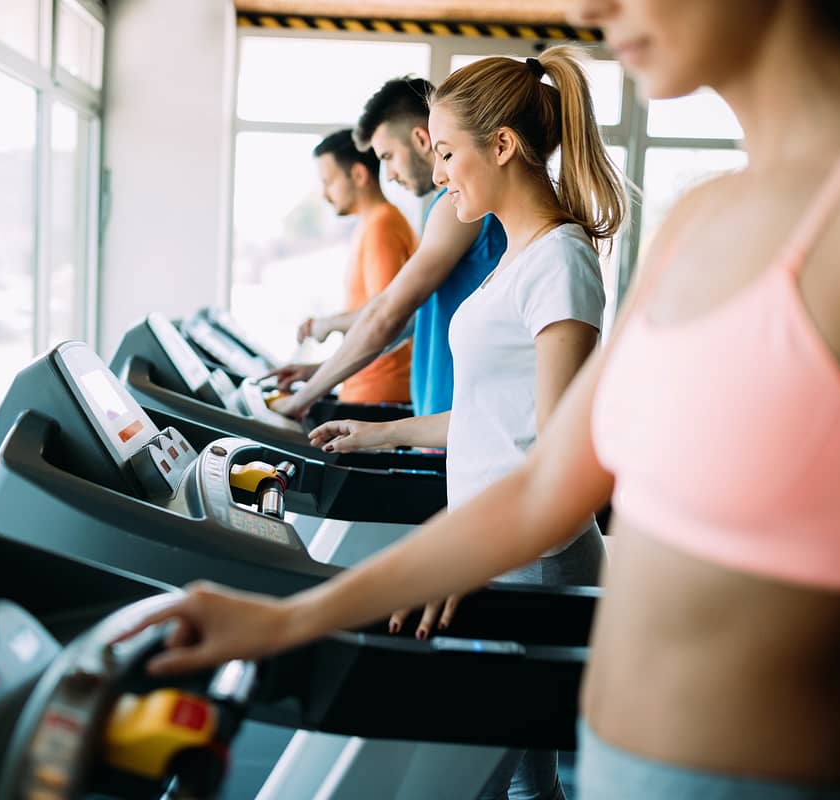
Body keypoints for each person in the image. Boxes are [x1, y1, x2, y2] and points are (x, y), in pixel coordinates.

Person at [126, 2, 840, 799]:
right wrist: (288, 617)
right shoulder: (702, 219)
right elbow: (544, 482)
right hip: (620, 763)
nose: (589, 9)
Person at [309, 47, 623, 800]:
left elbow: (559, 458)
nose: (438, 170)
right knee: (509, 774)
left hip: (531, 559)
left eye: (447, 152)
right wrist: (376, 435)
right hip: (500, 544)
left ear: (503, 146)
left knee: (493, 774)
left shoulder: (561, 261)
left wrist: (471, 558)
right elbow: (492, 422)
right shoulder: (518, 260)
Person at [267, 77, 506, 419]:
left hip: (458, 423)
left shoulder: (459, 207)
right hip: (444, 422)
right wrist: (319, 372)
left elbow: (386, 315)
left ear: (421, 139)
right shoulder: (455, 206)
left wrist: (299, 400)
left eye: (389, 157)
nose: (389, 174)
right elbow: (411, 318)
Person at [297, 129, 416, 405]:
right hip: (364, 386)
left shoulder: (382, 226)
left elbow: (386, 316)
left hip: (375, 392)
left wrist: (326, 324)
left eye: (329, 182)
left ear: (359, 175)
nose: (325, 194)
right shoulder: (375, 223)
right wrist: (318, 371)